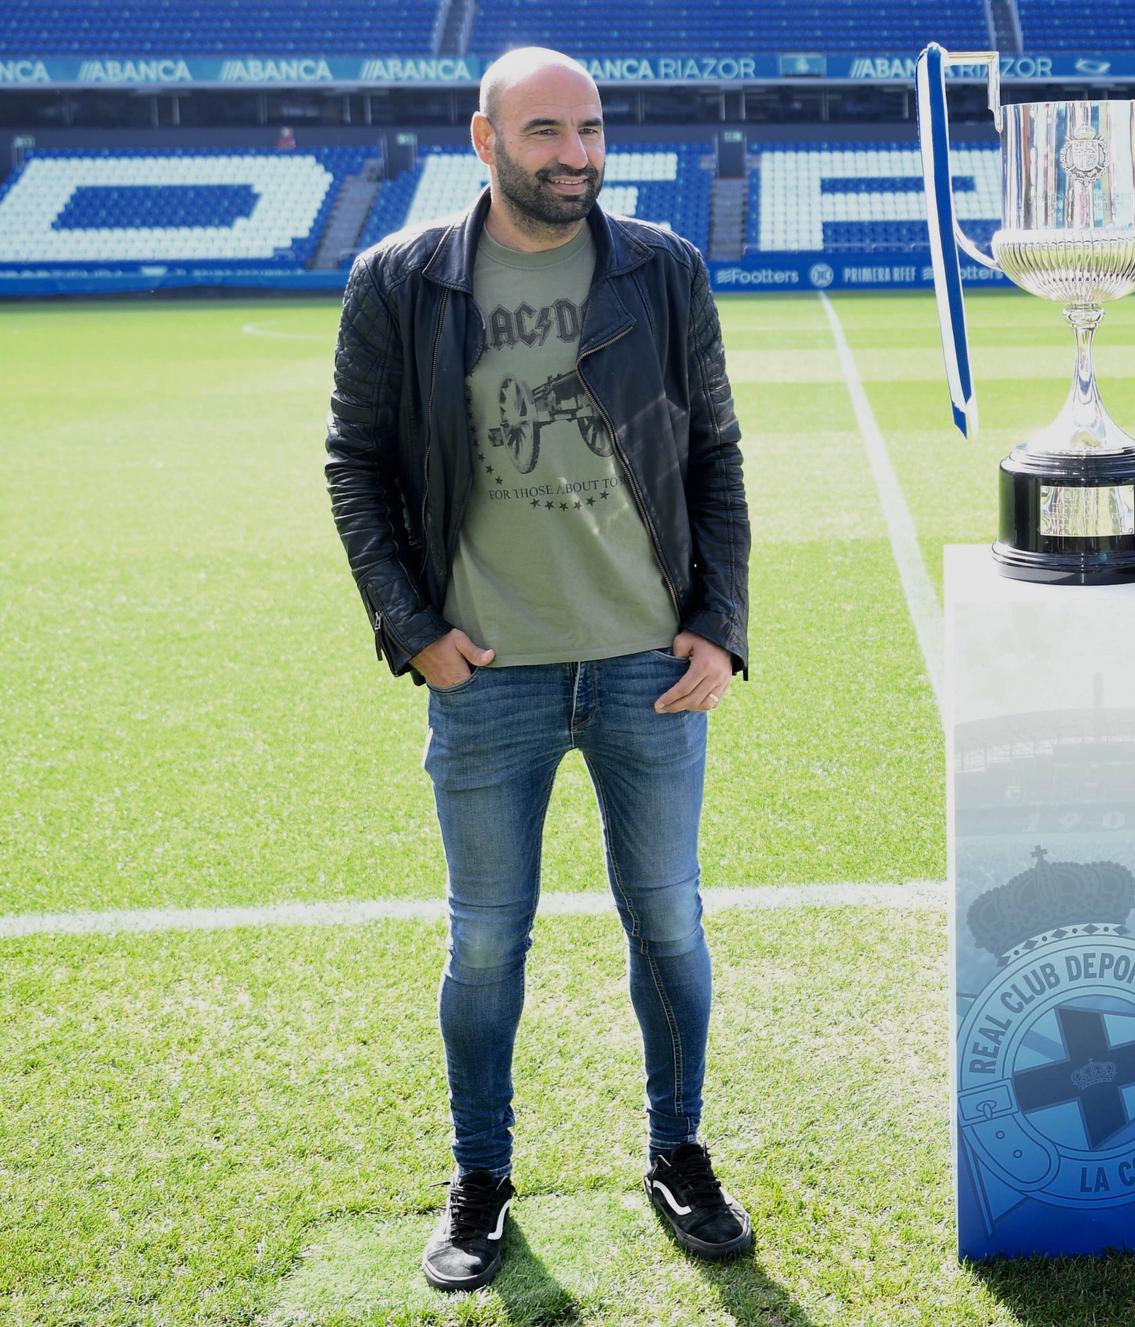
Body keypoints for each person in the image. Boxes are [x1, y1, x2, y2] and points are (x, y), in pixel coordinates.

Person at [325, 47, 753, 1292]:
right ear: (485, 138)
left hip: (646, 667)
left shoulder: (661, 268)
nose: (577, 153)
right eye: (548, 131)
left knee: (668, 922)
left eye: (594, 129)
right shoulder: (399, 281)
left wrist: (718, 621)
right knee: (485, 945)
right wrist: (410, 626)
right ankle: (481, 1175)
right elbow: (355, 461)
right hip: (489, 676)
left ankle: (677, 1151)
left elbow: (715, 452)